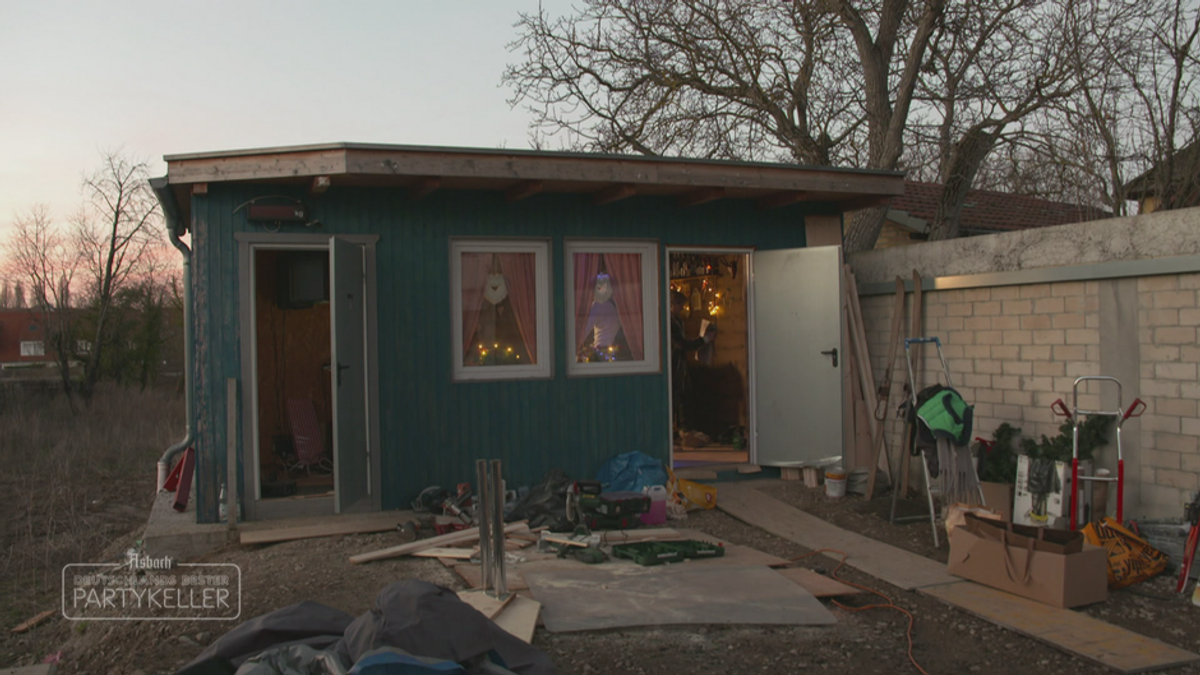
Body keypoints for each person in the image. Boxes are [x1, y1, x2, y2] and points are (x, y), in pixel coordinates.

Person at [670, 290, 714, 439]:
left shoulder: (677, 322)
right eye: (679, 305)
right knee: (676, 398)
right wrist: (703, 340)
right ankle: (679, 433)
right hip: (673, 366)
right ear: (672, 305)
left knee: (684, 397)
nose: (682, 308)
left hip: (679, 366)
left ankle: (685, 431)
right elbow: (680, 345)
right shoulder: (670, 323)